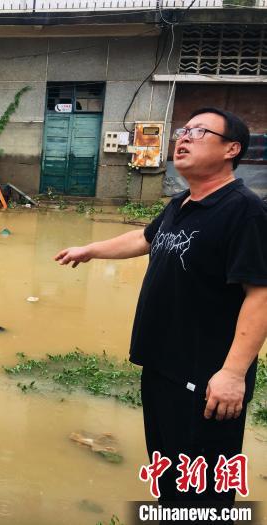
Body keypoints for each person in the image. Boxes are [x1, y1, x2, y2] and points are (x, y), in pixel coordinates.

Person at [55, 108, 267, 509]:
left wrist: (233, 374)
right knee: (170, 475)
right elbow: (146, 239)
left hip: (206, 379)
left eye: (199, 132)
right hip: (162, 366)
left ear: (231, 149)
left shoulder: (244, 211)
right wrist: (90, 250)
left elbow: (260, 294)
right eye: (183, 130)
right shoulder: (183, 203)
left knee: (203, 492)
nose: (182, 138)